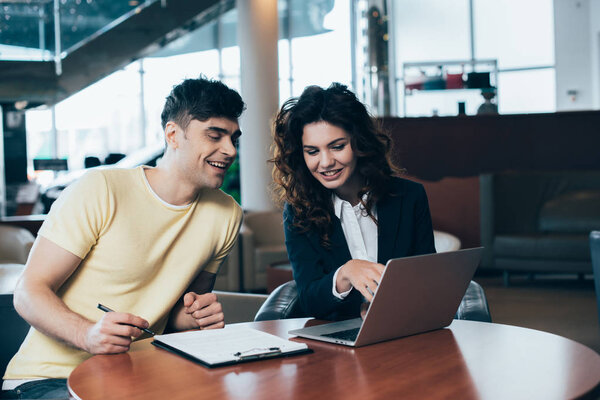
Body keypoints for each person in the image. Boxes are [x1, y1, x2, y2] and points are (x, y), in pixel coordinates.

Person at [1, 77, 245, 399]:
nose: (229, 150)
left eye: (234, 138)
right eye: (215, 135)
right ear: (173, 135)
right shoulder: (101, 189)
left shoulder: (226, 214)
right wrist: (88, 334)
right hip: (47, 380)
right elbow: (28, 292)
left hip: (136, 379)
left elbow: (180, 314)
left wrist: (191, 318)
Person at [271, 83, 436, 321]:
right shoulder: (298, 211)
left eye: (337, 147)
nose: (325, 162)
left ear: (359, 142)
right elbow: (308, 298)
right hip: (337, 346)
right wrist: (345, 274)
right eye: (312, 151)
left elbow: (427, 277)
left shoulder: (410, 197)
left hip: (405, 332)